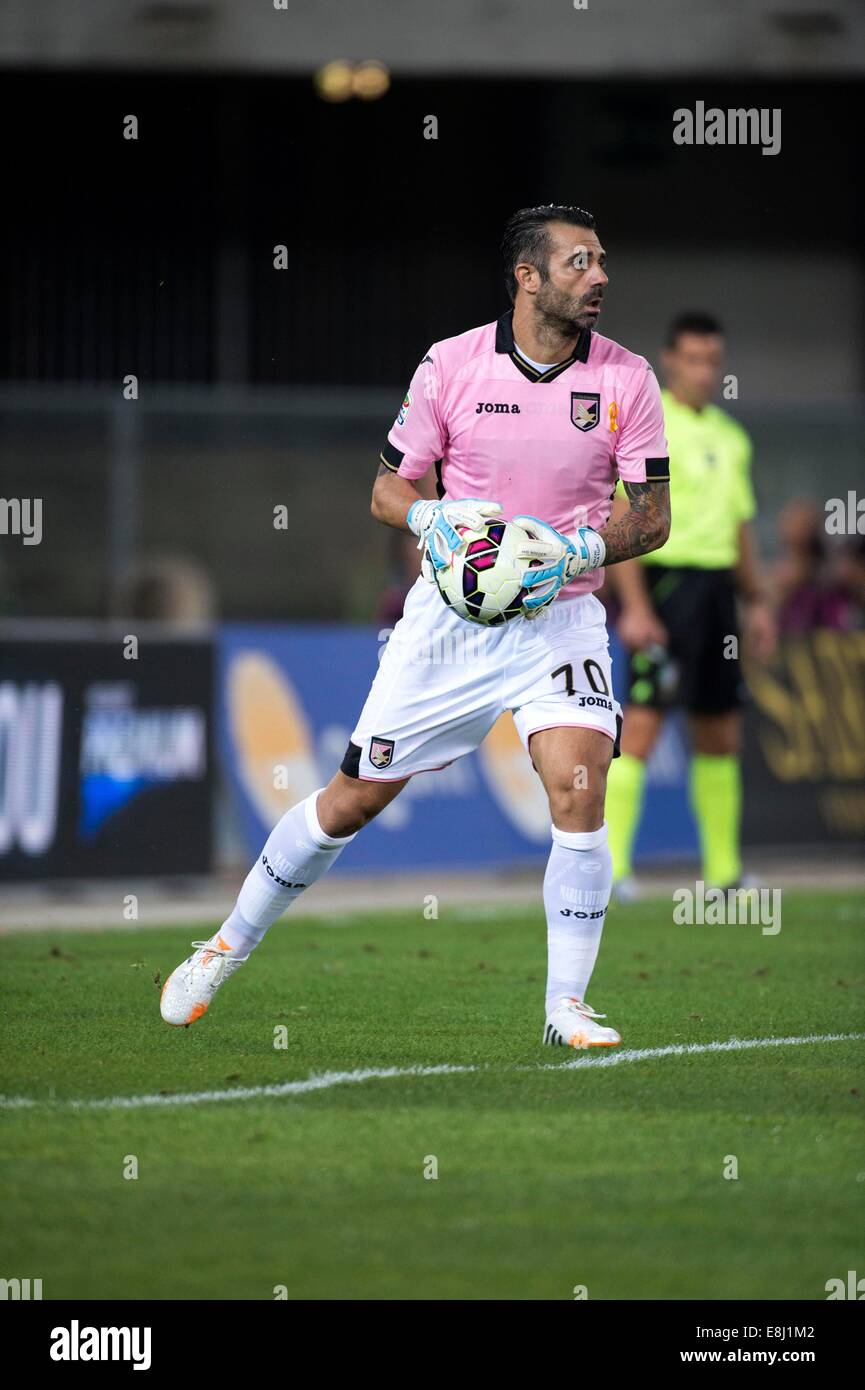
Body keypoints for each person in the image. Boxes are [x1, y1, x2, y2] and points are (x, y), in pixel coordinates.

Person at [161, 204, 671, 1049]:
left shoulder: (626, 379)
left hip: (561, 614)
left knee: (580, 790)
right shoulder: (451, 366)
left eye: (602, 262)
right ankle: (223, 947)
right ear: (527, 277)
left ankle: (565, 1007)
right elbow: (386, 491)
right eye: (580, 263)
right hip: (448, 624)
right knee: (349, 803)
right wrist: (434, 522)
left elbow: (651, 518)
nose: (600, 278)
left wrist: (578, 544)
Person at [604, 312, 775, 896]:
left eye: (713, 361)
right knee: (644, 726)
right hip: (664, 588)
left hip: (718, 595)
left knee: (720, 731)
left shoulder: (733, 439)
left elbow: (741, 529)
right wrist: (634, 608)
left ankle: (723, 872)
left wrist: (757, 601)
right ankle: (614, 870)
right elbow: (622, 521)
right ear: (670, 360)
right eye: (693, 360)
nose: (704, 372)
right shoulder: (651, 426)